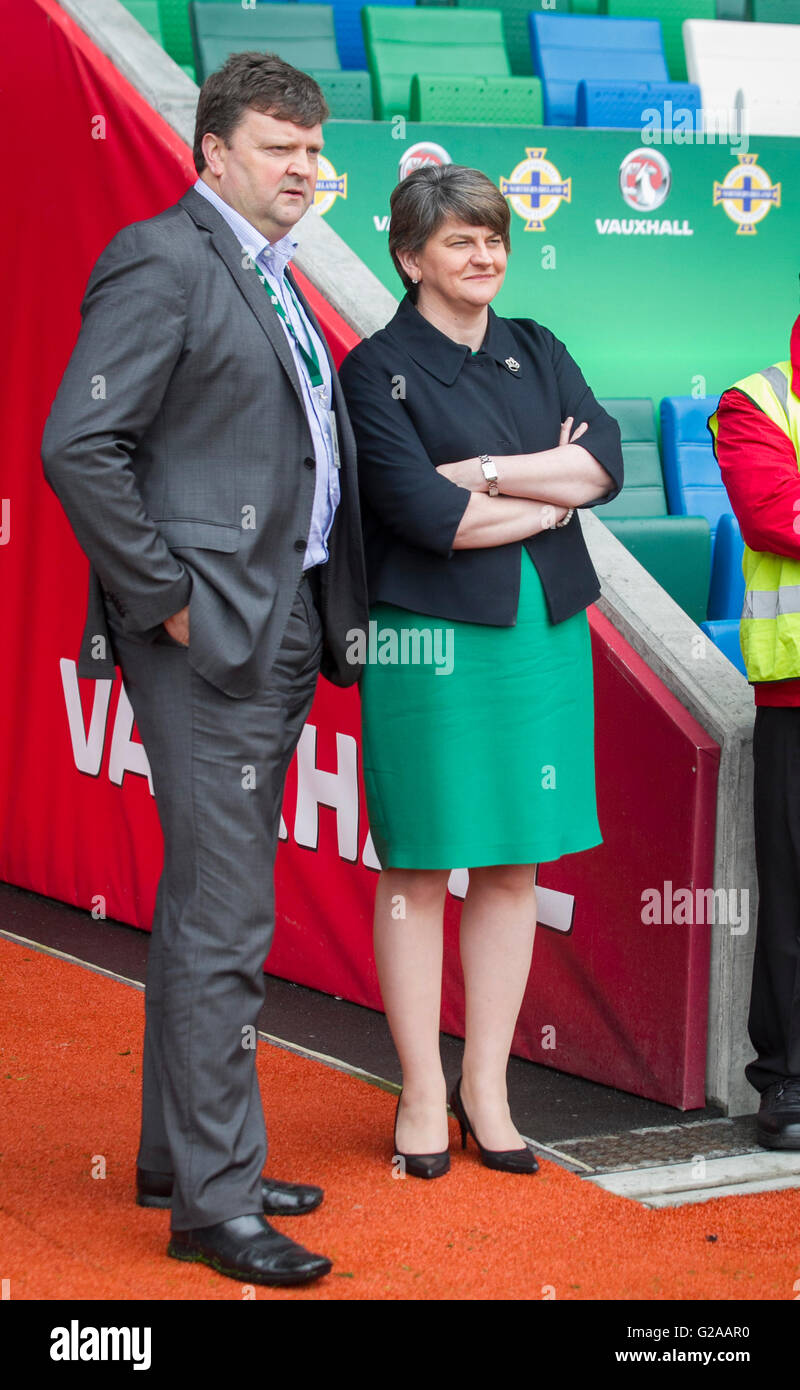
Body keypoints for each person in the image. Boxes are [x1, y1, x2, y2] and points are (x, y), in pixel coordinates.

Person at [41, 52, 368, 1286]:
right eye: (278, 144)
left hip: (276, 624)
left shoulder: (269, 275)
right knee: (226, 918)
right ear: (213, 152)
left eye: (311, 146)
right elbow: (80, 441)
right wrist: (166, 602)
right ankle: (216, 1208)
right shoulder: (163, 255)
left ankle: (183, 1159)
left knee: (201, 910)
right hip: (214, 635)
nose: (301, 165)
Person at [338, 164, 623, 1178]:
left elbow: (604, 466)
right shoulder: (373, 371)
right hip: (428, 639)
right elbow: (423, 517)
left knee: (512, 864)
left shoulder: (534, 346)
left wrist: (495, 478)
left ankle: (485, 1084)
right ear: (410, 258)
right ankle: (420, 1085)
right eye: (459, 241)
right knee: (418, 862)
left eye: (493, 238)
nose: (484, 255)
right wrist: (544, 499)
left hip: (539, 631)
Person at [709, 310, 800, 1150]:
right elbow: (780, 519)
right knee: (794, 901)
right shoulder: (758, 401)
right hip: (797, 696)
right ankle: (790, 1085)